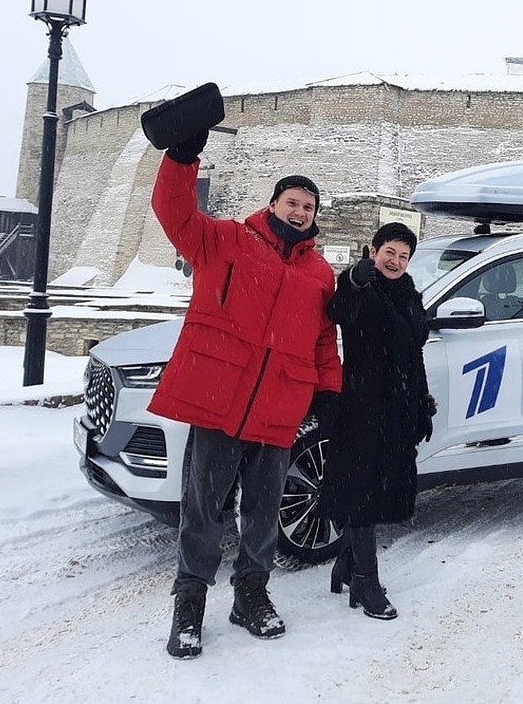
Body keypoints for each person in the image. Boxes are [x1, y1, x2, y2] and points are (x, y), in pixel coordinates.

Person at [149, 130, 342, 659]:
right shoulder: (226, 240)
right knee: (204, 510)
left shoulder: (319, 273)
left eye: (309, 206)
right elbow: (174, 212)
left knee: (262, 513)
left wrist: (327, 391)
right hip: (218, 399)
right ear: (273, 203)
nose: (300, 211)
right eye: (292, 202)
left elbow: (323, 338)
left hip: (280, 407)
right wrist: (182, 158)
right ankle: (189, 605)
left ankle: (250, 596)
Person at [318, 222, 436, 620]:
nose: (396, 261)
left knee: (375, 488)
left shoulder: (407, 294)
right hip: (362, 406)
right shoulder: (360, 286)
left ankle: (347, 564)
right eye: (390, 252)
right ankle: (366, 580)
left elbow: (414, 355)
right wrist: (352, 279)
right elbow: (338, 310)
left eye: (403, 256)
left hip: (398, 407)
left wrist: (422, 404)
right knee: (362, 492)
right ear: (373, 250)